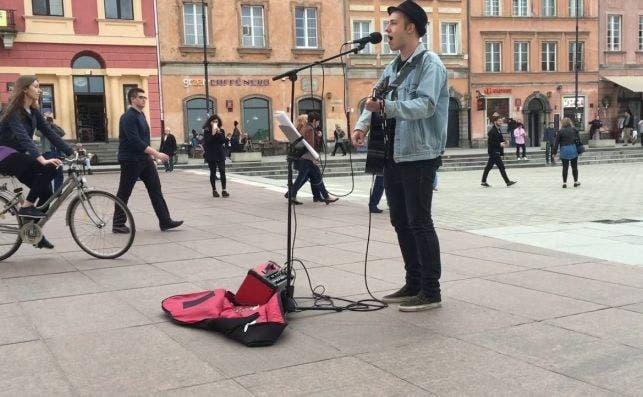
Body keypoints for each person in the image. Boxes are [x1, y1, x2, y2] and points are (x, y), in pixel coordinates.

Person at [352, 1, 446, 312]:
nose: (386, 29)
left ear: (411, 28)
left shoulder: (429, 65)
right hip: (393, 151)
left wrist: (387, 108)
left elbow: (426, 105)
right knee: (400, 220)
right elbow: (373, 98)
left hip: (420, 153)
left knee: (419, 221)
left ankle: (431, 291)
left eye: (393, 23)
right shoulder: (392, 67)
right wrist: (362, 126)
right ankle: (414, 282)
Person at [0, 75, 73, 249]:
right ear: (25, 89)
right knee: (50, 166)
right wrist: (41, 158)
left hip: (20, 156)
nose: (39, 90)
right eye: (36, 86)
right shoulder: (12, 110)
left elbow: (49, 132)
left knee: (47, 193)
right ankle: (26, 207)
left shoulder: (34, 112)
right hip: (5, 154)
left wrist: (72, 151)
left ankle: (33, 232)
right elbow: (23, 137)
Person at [113, 87, 182, 232]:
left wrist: (151, 157)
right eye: (141, 97)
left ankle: (165, 221)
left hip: (144, 159)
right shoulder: (128, 117)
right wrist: (156, 154)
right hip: (130, 159)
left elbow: (144, 140)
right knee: (125, 191)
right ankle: (118, 224)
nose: (144, 100)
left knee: (155, 188)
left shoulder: (141, 115)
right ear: (132, 99)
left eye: (145, 98)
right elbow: (134, 140)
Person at [286, 113, 338, 204]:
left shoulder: (305, 127)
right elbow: (310, 145)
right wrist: (315, 157)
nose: (318, 124)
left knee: (311, 176)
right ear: (314, 121)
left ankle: (318, 196)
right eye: (318, 122)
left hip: (303, 157)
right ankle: (325, 196)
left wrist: (318, 136)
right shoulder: (310, 129)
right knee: (308, 176)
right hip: (307, 158)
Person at [481, 115, 517, 187]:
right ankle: (507, 182)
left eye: (501, 121)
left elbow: (500, 139)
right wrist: (500, 144)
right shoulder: (492, 131)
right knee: (501, 167)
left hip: (496, 151)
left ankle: (483, 181)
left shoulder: (498, 130)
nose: (501, 122)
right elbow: (491, 143)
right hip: (494, 152)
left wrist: (505, 141)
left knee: (488, 167)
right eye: (499, 121)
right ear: (495, 122)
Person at [36, 112, 66, 191]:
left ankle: (58, 192)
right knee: (48, 173)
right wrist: (45, 123)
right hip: (47, 152)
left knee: (59, 173)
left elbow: (62, 133)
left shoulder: (54, 126)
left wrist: (52, 123)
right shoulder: (41, 126)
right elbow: (38, 133)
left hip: (57, 152)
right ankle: (49, 192)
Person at [202, 114, 229, 198]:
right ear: (210, 122)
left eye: (216, 121)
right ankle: (214, 190)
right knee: (213, 172)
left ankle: (224, 190)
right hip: (211, 154)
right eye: (214, 121)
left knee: (222, 171)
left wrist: (219, 132)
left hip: (220, 153)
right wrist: (213, 133)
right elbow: (207, 142)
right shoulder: (207, 131)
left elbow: (224, 141)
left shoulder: (221, 130)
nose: (215, 123)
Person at [553, 117, 581, 188]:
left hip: (564, 149)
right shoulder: (574, 130)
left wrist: (554, 152)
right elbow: (578, 140)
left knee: (565, 167)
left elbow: (556, 143)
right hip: (573, 149)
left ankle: (564, 183)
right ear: (570, 122)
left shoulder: (560, 131)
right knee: (574, 167)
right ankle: (575, 182)